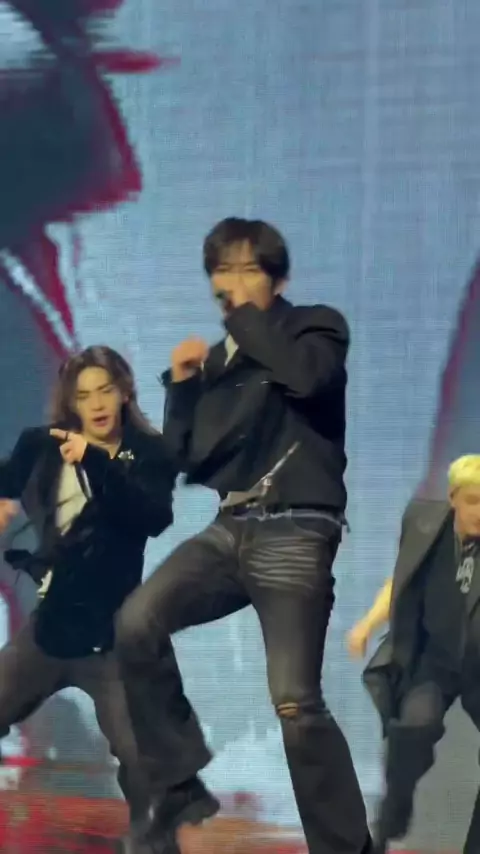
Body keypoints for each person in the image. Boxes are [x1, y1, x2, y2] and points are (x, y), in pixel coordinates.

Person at [116, 217, 373, 854]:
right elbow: (188, 458)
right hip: (229, 529)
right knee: (135, 622)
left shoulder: (314, 327)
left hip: (296, 526)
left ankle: (346, 848)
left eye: (246, 268)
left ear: (277, 277)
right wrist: (183, 387)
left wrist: (245, 323)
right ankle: (181, 785)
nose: (231, 282)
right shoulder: (220, 361)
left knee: (294, 702)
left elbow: (307, 379)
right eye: (221, 270)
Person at [0, 345, 216, 854]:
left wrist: (94, 461)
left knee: (144, 764)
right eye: (84, 395)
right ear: (71, 402)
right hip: (50, 633)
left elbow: (151, 515)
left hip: (110, 641)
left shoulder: (146, 452)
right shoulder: (43, 444)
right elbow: (6, 482)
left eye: (105, 391)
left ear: (124, 393)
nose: (97, 404)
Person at [358, 455, 480, 854]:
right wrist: (368, 624)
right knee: (412, 729)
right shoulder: (424, 524)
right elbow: (401, 581)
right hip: (435, 662)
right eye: (474, 500)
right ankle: (391, 818)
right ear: (453, 498)